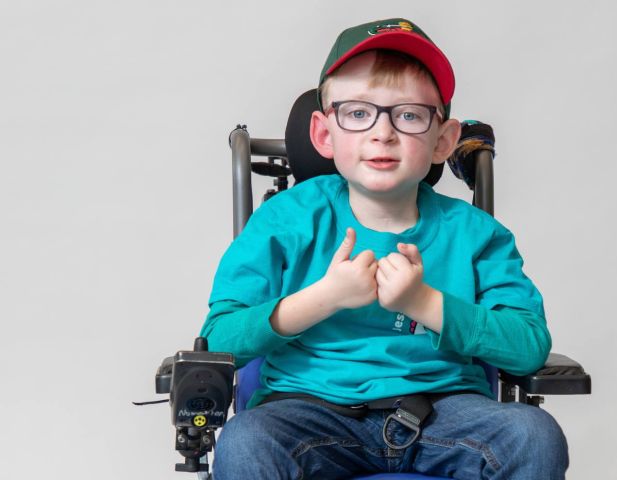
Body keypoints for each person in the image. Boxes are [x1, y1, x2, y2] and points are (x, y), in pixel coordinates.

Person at [201, 17, 568, 479]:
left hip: (444, 413)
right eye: (357, 113)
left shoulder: (475, 233)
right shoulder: (286, 221)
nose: (383, 133)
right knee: (247, 440)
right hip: (309, 413)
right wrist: (325, 298)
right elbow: (217, 342)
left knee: (533, 433)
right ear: (323, 134)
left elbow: (529, 348)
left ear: (444, 141)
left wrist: (426, 303)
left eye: (410, 115)